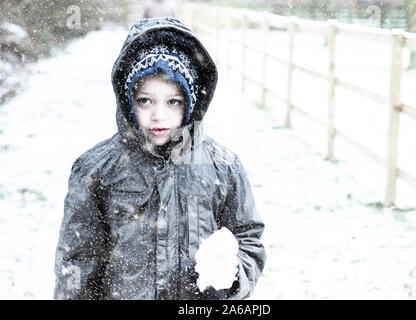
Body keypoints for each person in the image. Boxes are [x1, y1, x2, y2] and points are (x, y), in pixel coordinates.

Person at [53, 17, 266, 300]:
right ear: (129, 99)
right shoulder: (96, 168)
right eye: (145, 100)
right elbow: (78, 261)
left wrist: (233, 271)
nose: (158, 115)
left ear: (190, 102)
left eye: (173, 101)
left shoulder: (222, 167)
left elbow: (248, 238)